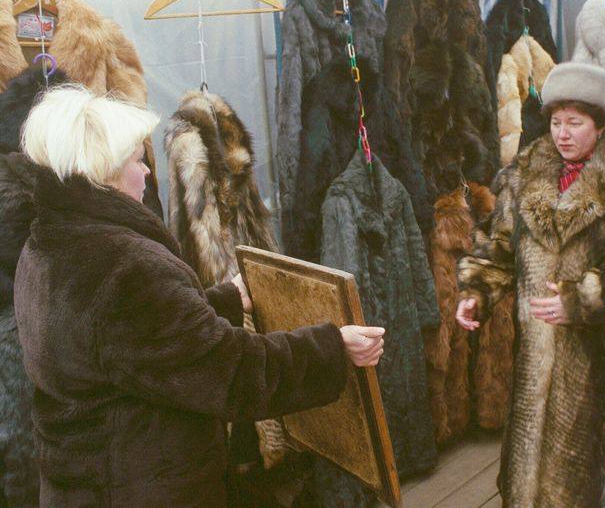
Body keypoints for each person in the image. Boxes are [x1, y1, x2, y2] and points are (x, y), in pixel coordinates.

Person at [13, 85, 385, 508]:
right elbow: (232, 373)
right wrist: (331, 348)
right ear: (105, 173)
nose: (147, 173)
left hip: (81, 482)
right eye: (137, 161)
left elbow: (131, 343)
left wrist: (224, 300)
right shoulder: (126, 268)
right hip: (146, 490)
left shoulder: (44, 247)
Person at [455, 62, 605, 507]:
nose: (562, 134)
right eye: (556, 122)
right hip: (536, 351)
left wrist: (582, 299)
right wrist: (476, 291)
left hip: (599, 354)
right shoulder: (525, 173)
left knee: (589, 472)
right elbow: (498, 243)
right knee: (527, 463)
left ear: (602, 124)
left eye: (575, 123)